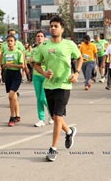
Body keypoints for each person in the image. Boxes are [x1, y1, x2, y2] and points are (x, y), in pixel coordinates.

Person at [33, 16, 83, 161]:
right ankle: (69, 131)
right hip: (49, 85)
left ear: (62, 28)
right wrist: (43, 73)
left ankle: (53, 149)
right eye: (51, 26)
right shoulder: (44, 46)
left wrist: (76, 73)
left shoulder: (69, 44)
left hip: (64, 84)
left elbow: (79, 58)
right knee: (55, 117)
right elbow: (36, 64)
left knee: (58, 116)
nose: (53, 28)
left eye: (56, 26)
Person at [30, 31, 54, 127]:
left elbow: (52, 60)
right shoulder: (34, 50)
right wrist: (32, 62)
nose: (39, 38)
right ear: (36, 38)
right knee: (38, 98)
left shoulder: (48, 49)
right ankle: (41, 119)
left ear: (44, 38)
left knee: (43, 97)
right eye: (38, 36)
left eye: (41, 36)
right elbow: (32, 63)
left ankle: (52, 114)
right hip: (36, 75)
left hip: (46, 75)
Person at [0, 35, 24, 127]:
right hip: (8, 75)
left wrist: (12, 65)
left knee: (11, 96)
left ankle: (12, 117)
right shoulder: (5, 52)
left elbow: (22, 66)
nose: (10, 42)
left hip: (16, 75)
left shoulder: (18, 52)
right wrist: (4, 66)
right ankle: (17, 115)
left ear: (15, 42)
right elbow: (3, 64)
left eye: (11, 41)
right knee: (14, 97)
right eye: (8, 41)